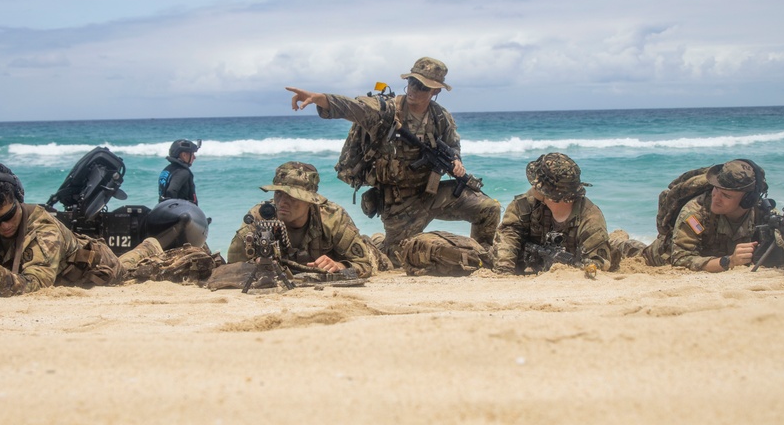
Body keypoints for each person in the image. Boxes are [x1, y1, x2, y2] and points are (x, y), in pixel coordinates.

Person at [286, 57, 500, 265]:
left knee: (488, 208)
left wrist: (456, 161)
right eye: (412, 83)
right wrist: (319, 98)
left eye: (423, 87)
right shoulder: (386, 111)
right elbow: (354, 108)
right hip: (399, 204)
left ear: (435, 91)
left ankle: (482, 259)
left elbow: (453, 147)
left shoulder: (440, 117)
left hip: (432, 194)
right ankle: (378, 242)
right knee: (397, 259)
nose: (415, 90)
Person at [0, 161, 169, 297]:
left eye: (9, 215)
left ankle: (151, 245)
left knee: (127, 267)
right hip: (61, 260)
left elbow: (36, 285)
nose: (4, 226)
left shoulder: (45, 231)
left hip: (97, 265)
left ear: (18, 198)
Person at [226, 162, 377, 278]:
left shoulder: (332, 218)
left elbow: (365, 264)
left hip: (369, 251)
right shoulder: (259, 218)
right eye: (278, 193)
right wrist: (255, 265)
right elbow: (232, 266)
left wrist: (340, 266)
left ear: (310, 200)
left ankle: (377, 240)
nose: (282, 202)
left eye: (292, 196)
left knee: (385, 258)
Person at [490, 153, 618, 274]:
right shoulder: (526, 204)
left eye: (537, 184)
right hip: (531, 260)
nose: (533, 186)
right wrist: (504, 269)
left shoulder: (590, 219)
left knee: (625, 248)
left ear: (548, 194)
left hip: (575, 261)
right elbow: (508, 235)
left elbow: (598, 264)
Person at [663, 159, 770, 272]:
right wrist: (729, 261)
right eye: (716, 188)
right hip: (658, 256)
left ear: (747, 201)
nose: (716, 197)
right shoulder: (696, 212)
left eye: (726, 195)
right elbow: (681, 260)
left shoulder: (763, 213)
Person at [158, 139, 200, 203]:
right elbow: (171, 191)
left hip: (163, 209)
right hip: (180, 212)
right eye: (192, 154)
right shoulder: (183, 172)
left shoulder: (167, 169)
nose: (194, 157)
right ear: (184, 155)